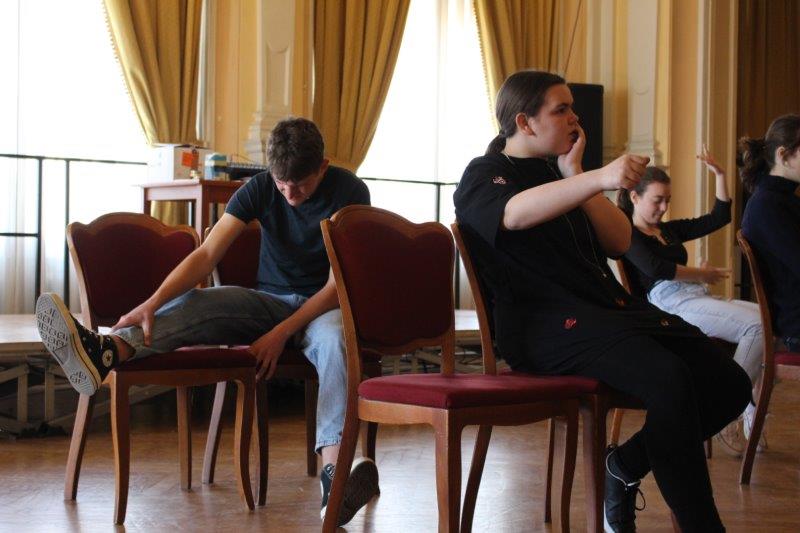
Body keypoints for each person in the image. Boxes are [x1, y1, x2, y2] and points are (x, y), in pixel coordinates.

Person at [35, 117, 379, 526]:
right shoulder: (259, 188)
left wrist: (280, 334)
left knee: (338, 341)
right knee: (203, 300)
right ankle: (109, 351)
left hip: (325, 308)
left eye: (300, 186)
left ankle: (334, 481)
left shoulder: (350, 192)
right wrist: (152, 303)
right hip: (269, 301)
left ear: (323, 167)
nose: (290, 195)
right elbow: (205, 256)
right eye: (281, 184)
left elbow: (336, 287)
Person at [453, 70, 750, 533]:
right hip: (545, 329)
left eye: (572, 107)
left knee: (729, 383)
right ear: (525, 123)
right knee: (668, 378)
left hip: (607, 315)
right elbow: (512, 215)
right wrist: (597, 177)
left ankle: (625, 464)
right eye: (561, 109)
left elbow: (619, 242)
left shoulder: (563, 175)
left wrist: (578, 176)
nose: (575, 118)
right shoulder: (484, 173)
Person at [616, 149, 764, 454]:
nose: (664, 207)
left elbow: (719, 217)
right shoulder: (628, 234)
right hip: (668, 305)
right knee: (757, 327)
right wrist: (702, 273)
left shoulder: (667, 231)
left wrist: (720, 175)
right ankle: (725, 408)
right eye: (657, 200)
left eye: (667, 200)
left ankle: (746, 413)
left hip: (693, 295)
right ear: (634, 197)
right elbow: (657, 269)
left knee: (768, 321)